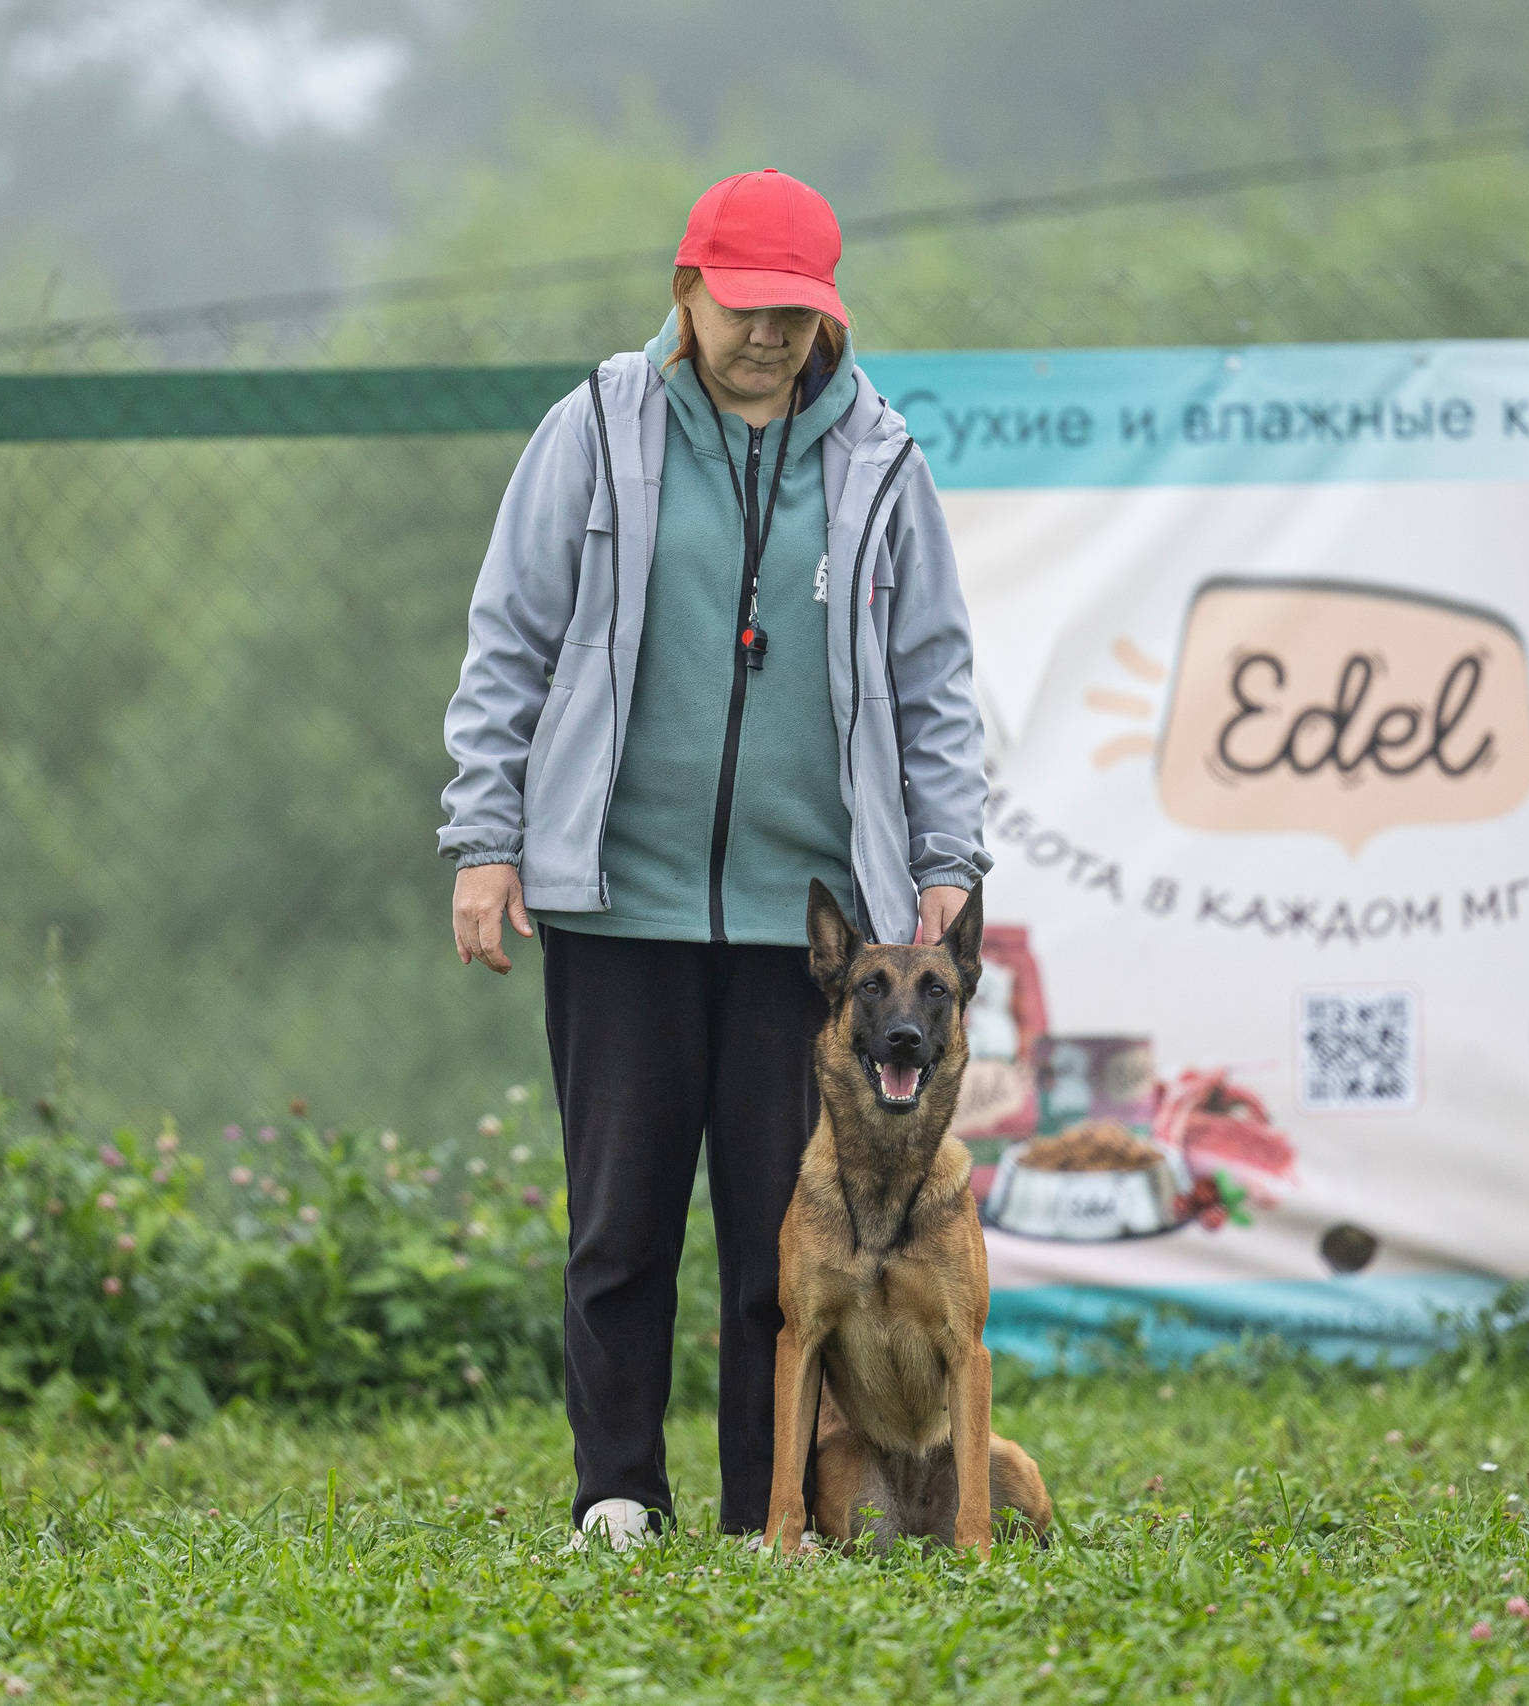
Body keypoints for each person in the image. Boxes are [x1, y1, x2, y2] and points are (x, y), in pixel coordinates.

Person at [437, 169, 990, 1549]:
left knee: (778, 1234)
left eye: (798, 313)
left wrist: (947, 854)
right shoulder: (592, 430)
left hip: (803, 936)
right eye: (747, 308)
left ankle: (769, 1508)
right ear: (686, 290)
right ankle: (618, 1490)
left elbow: (935, 674)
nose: (771, 336)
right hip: (615, 907)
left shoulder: (882, 458)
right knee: (619, 1227)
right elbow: (508, 635)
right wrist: (486, 838)